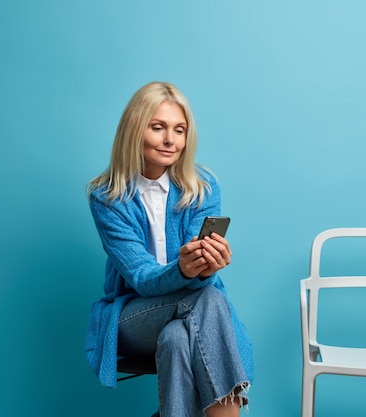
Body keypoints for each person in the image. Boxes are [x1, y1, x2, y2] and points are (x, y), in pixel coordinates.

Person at [84, 81, 254, 417]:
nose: (170, 140)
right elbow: (142, 278)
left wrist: (208, 266)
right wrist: (185, 269)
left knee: (178, 338)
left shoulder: (202, 187)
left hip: (195, 310)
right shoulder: (106, 197)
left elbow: (201, 276)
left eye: (179, 130)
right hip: (134, 316)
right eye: (158, 127)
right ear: (135, 130)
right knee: (210, 299)